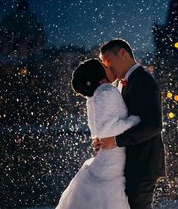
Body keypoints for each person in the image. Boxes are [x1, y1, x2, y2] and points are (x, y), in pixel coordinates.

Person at [56, 58, 140, 209]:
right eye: (103, 66)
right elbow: (105, 129)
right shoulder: (106, 91)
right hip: (113, 160)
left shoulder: (95, 95)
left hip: (109, 157)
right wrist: (134, 121)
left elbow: (96, 130)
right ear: (99, 73)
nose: (108, 67)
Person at [96, 38, 165, 209]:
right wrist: (105, 140)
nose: (107, 67)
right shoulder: (125, 83)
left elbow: (153, 125)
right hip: (135, 163)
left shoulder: (143, 81)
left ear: (123, 54)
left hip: (143, 163)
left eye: (108, 62)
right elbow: (124, 121)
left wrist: (116, 141)